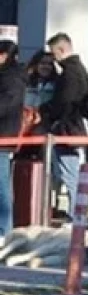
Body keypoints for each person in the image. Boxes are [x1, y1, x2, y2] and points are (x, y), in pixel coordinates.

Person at [39, 34, 88, 217]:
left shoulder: (69, 73)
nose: (53, 59)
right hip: (73, 128)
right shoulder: (79, 70)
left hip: (67, 129)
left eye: (54, 54)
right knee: (71, 172)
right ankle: (76, 213)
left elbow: (64, 102)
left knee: (69, 174)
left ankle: (75, 214)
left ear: (61, 50)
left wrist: (48, 111)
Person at [0, 40, 26, 241]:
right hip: (4, 135)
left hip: (3, 137)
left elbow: (5, 106)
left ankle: (4, 231)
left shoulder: (12, 78)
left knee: (2, 186)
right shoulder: (9, 76)